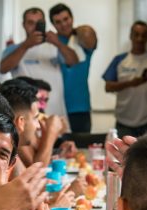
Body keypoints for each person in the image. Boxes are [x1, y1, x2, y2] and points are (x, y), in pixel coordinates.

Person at [0, 7, 78, 118]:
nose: (35, 27)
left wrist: (58, 43)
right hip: (27, 115)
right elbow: (3, 69)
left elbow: (73, 61)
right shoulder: (14, 49)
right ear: (23, 24)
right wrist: (26, 45)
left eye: (39, 23)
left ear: (45, 23)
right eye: (30, 23)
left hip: (55, 113)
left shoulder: (54, 46)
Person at [103, 20, 147, 138]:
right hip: (124, 121)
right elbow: (108, 87)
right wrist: (131, 83)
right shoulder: (119, 60)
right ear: (131, 36)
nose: (140, 39)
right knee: (122, 155)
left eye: (144, 35)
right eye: (136, 35)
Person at [49, 3, 97, 133]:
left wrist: (76, 31)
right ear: (53, 25)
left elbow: (89, 35)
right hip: (55, 106)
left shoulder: (82, 39)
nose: (63, 24)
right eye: (58, 22)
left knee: (81, 149)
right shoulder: (49, 43)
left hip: (79, 106)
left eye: (66, 19)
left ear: (72, 18)